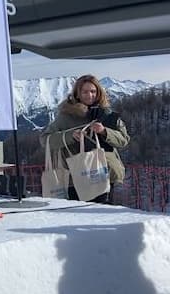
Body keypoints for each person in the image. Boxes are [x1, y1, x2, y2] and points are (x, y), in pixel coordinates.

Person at [40, 74, 130, 203]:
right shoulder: (67, 116)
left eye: (93, 91)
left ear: (99, 93)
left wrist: (105, 131)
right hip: (77, 177)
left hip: (106, 175)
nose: (89, 95)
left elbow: (124, 140)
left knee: (104, 217)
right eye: (85, 92)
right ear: (78, 94)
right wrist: (70, 136)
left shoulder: (108, 115)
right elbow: (45, 139)